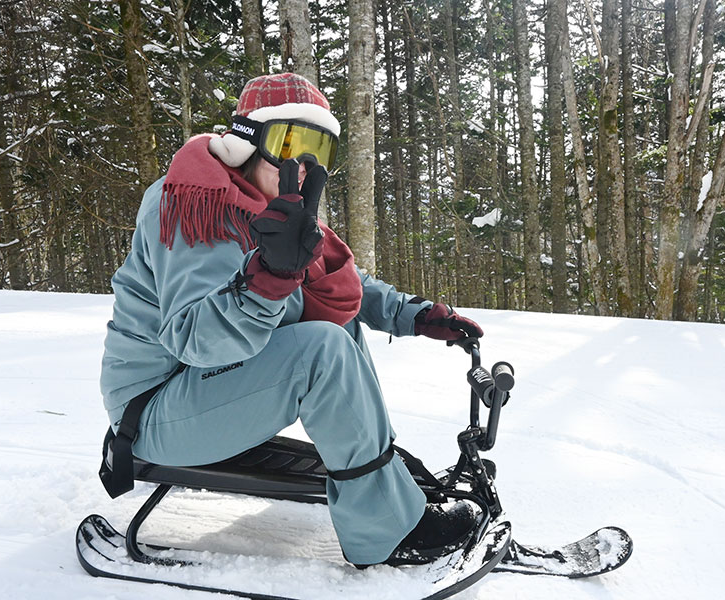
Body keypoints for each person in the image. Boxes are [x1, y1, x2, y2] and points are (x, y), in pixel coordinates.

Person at [100, 72, 485, 568]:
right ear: (245, 141)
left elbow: (346, 284)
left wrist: (414, 315)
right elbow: (193, 340)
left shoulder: (276, 213)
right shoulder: (191, 201)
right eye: (290, 142)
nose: (303, 165)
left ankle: (380, 481)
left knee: (336, 320)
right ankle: (387, 534)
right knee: (320, 349)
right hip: (156, 409)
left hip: (208, 393)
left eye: (319, 149)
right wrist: (269, 278)